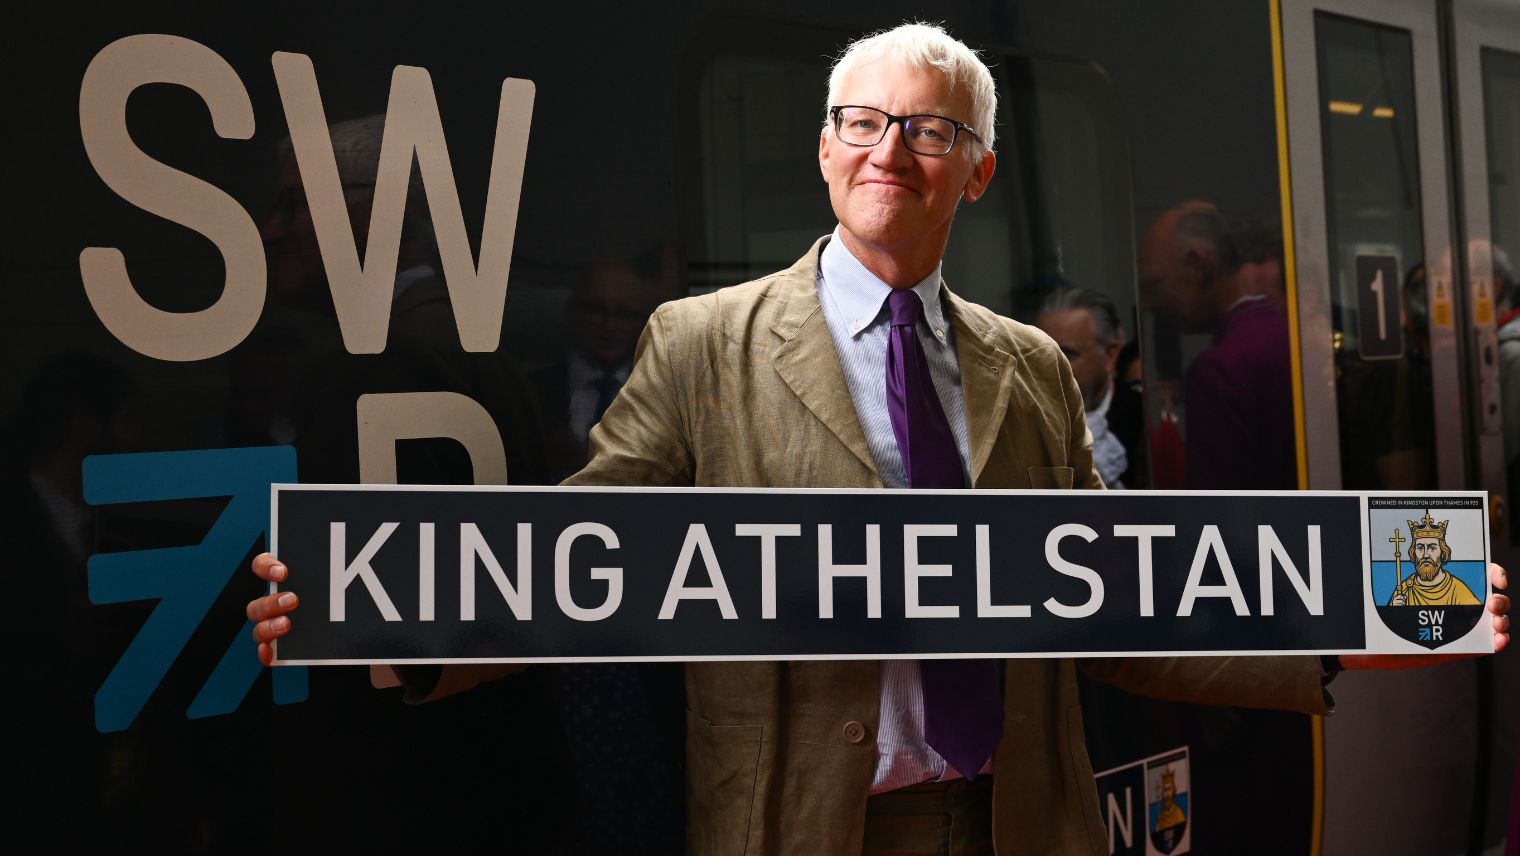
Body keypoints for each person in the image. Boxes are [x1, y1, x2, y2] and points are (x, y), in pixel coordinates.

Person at [246, 23, 1511, 855]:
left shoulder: (1023, 367)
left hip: (1017, 819)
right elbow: (584, 574)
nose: (887, 149)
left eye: (927, 128)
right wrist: (389, 611)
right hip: (804, 824)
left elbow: (1113, 611)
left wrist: (1346, 612)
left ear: (977, 171)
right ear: (821, 151)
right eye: (859, 121)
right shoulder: (702, 344)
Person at [1035, 285, 1138, 488]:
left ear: (1110, 354)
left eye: (1067, 355)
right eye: (1039, 355)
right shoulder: (1022, 419)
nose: (1048, 369)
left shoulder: (1141, 419)